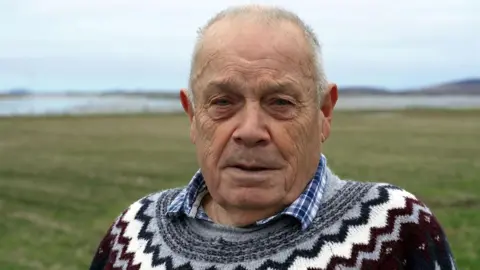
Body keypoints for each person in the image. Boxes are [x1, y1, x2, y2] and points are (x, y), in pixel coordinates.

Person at [89, 4, 457, 270]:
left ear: (324, 113)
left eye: (280, 102)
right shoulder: (134, 234)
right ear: (192, 114)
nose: (249, 131)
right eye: (222, 102)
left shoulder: (393, 228)